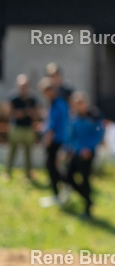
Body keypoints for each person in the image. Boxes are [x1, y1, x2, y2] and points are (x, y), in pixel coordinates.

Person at [67, 91, 105, 218]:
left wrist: (89, 149)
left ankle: (87, 207)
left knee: (85, 178)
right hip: (77, 152)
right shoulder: (74, 118)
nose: (80, 106)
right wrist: (74, 149)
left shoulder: (94, 116)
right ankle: (87, 198)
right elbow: (71, 137)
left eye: (82, 103)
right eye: (77, 104)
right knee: (68, 176)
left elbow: (98, 134)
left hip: (88, 153)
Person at [38, 76, 70, 206]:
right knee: (52, 166)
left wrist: (48, 137)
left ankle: (63, 188)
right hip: (58, 139)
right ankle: (63, 189)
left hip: (57, 140)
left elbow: (54, 124)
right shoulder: (55, 103)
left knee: (52, 166)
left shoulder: (58, 104)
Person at [6, 74, 40, 181]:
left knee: (28, 152)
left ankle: (29, 174)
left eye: (25, 85)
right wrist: (22, 113)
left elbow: (36, 113)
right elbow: (9, 113)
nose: (23, 88)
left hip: (28, 128)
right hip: (16, 128)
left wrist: (27, 113)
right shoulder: (13, 97)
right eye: (21, 86)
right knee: (12, 151)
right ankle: (8, 172)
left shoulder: (32, 98)